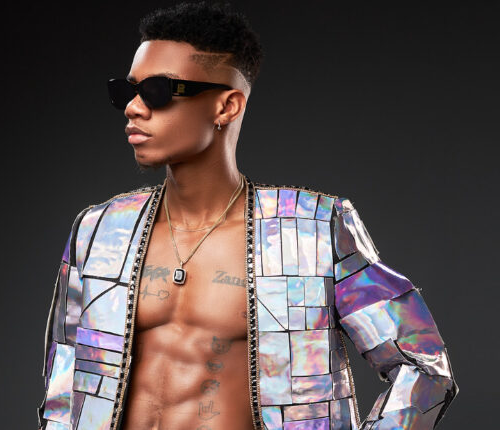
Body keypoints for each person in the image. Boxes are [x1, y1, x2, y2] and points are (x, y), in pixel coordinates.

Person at [37, 2, 458, 430]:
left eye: (157, 91)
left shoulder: (313, 230)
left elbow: (424, 368)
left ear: (227, 107)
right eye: (127, 92)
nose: (133, 107)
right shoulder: (99, 231)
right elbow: (63, 387)